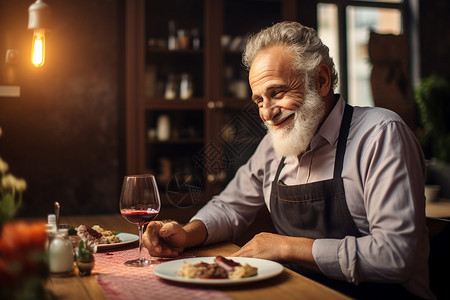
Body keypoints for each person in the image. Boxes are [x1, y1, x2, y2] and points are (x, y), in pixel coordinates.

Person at [143, 21, 434, 299]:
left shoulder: (381, 134)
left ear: (321, 80)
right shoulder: (274, 145)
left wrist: (285, 246)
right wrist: (188, 233)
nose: (267, 113)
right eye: (259, 100)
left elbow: (396, 256)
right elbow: (229, 206)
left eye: (277, 93)